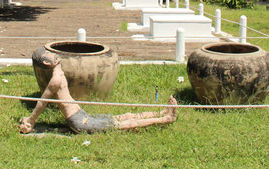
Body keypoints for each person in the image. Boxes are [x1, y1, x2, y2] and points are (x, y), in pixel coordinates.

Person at [19, 50, 177, 134]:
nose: (54, 54)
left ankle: (161, 111)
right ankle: (165, 119)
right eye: (50, 55)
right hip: (79, 122)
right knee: (125, 124)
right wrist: (31, 121)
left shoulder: (59, 74)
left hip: (82, 115)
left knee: (127, 115)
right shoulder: (55, 80)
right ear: (47, 62)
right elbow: (42, 102)